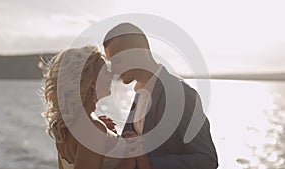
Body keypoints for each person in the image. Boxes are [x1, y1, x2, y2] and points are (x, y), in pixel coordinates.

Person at [103, 23, 219, 169]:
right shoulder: (139, 96)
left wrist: (151, 164)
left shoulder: (181, 94)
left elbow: (207, 160)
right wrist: (109, 134)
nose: (113, 70)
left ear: (140, 52)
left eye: (117, 61)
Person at [41, 46, 135, 169]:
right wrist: (128, 160)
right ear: (92, 83)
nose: (112, 75)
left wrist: (109, 136)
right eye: (106, 72)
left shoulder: (65, 129)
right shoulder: (92, 130)